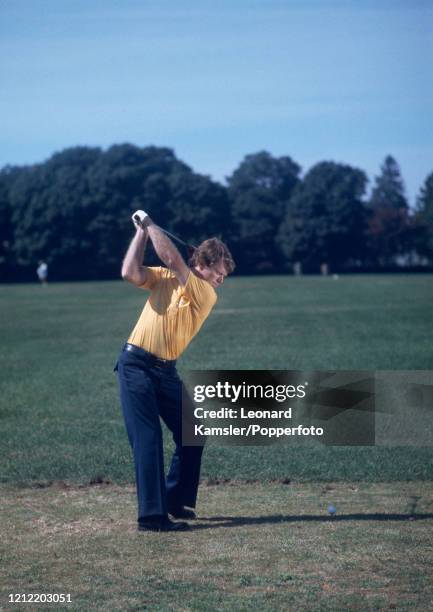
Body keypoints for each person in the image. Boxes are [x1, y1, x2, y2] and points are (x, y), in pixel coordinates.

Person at [115, 212, 235, 532]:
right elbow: (129, 272)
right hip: (136, 366)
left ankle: (176, 501)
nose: (220, 282)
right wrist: (142, 232)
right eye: (219, 275)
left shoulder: (205, 293)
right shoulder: (167, 278)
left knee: (192, 431)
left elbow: (172, 258)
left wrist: (151, 224)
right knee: (148, 438)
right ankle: (153, 518)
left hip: (166, 372)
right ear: (205, 264)